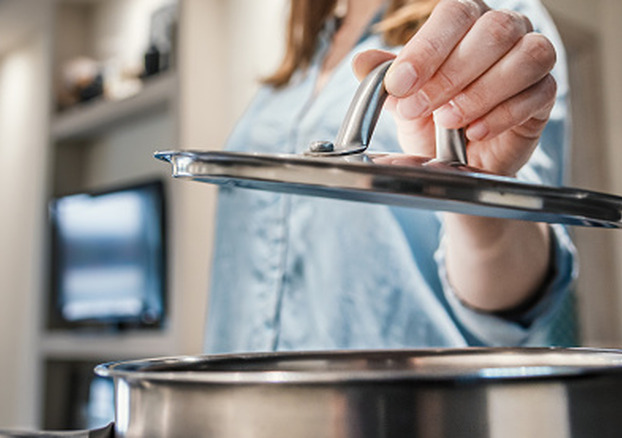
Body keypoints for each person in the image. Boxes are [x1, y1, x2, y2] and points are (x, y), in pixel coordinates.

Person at [204, 0, 577, 353]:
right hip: (236, 403)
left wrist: (476, 191)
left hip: (397, 407)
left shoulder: (492, 21)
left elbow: (518, 293)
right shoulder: (294, 67)